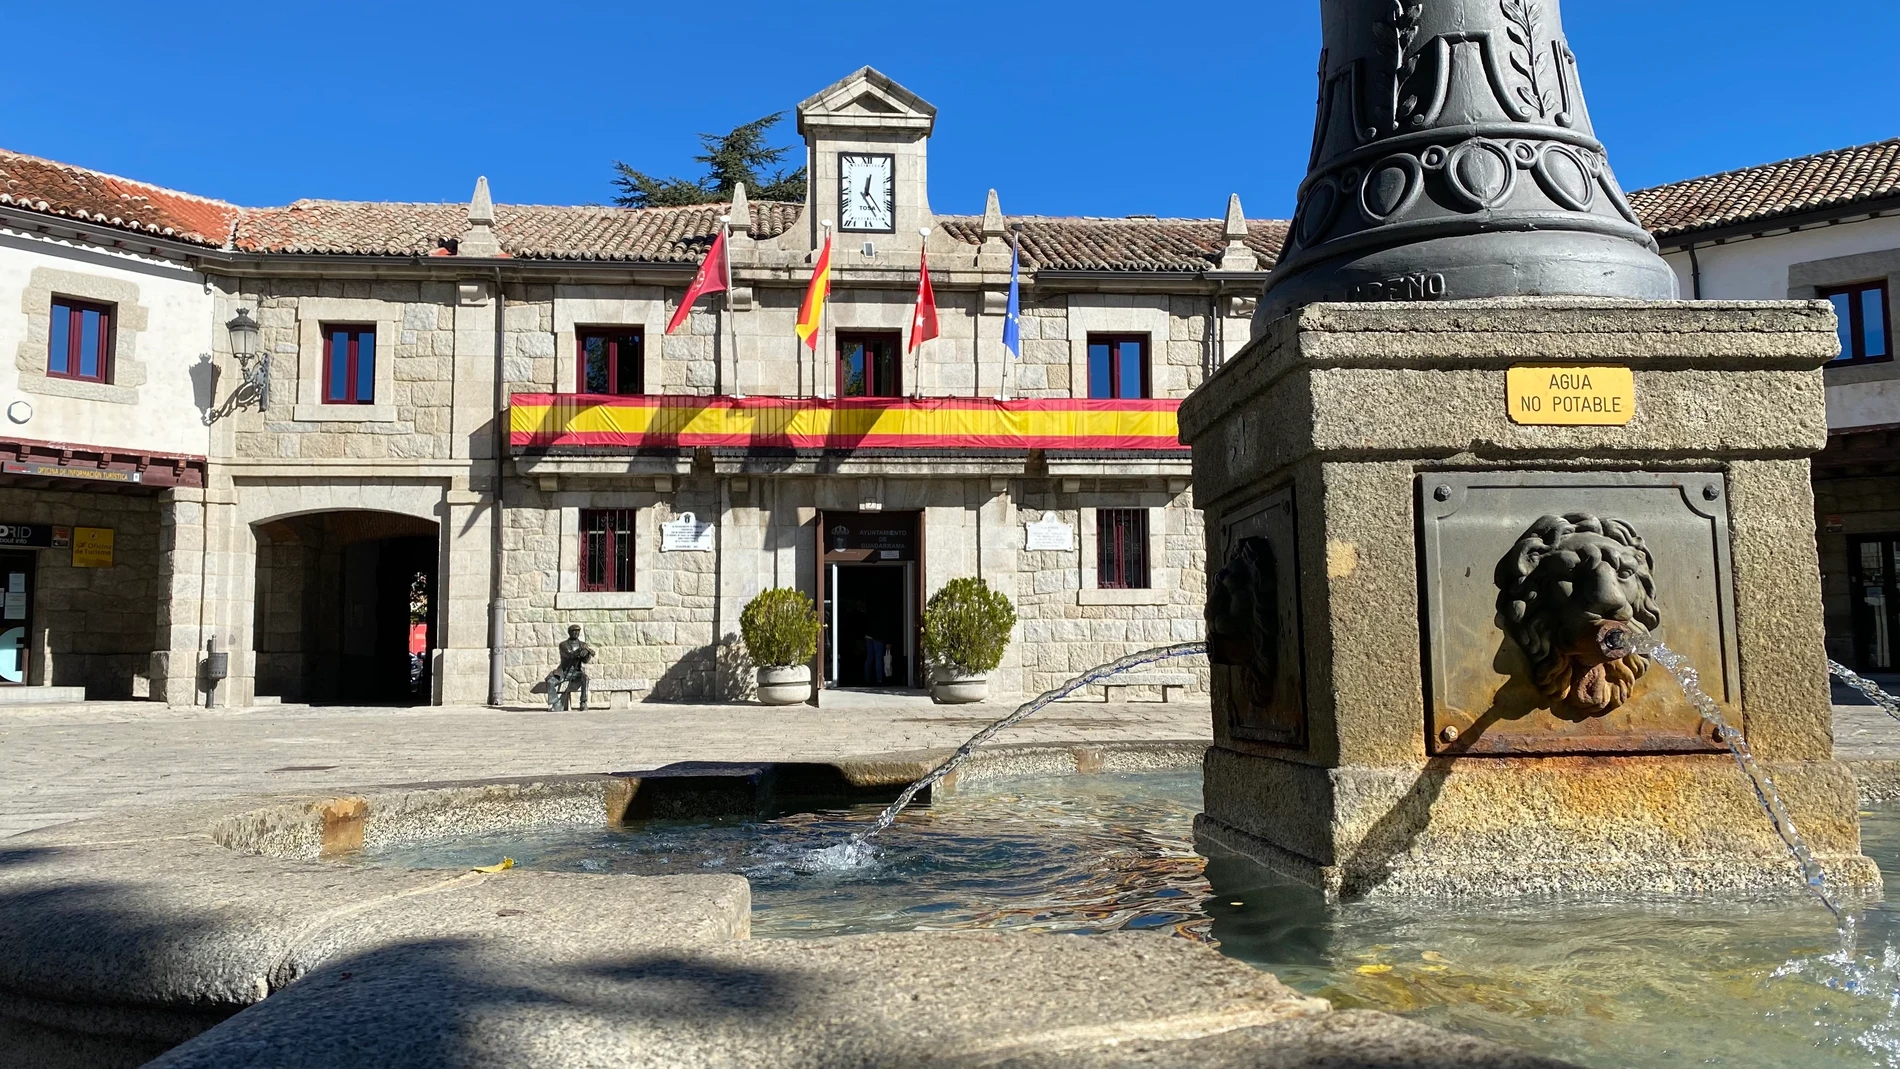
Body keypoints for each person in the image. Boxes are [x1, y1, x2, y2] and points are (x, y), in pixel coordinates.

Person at [546, 624, 595, 710]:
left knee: (585, 678)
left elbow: (585, 661)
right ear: (569, 632)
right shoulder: (563, 644)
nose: (576, 633)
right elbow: (569, 654)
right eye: (574, 631)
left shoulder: (583, 645)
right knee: (550, 682)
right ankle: (555, 703)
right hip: (564, 672)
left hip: (576, 672)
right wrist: (580, 652)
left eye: (578, 631)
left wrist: (587, 654)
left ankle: (583, 702)